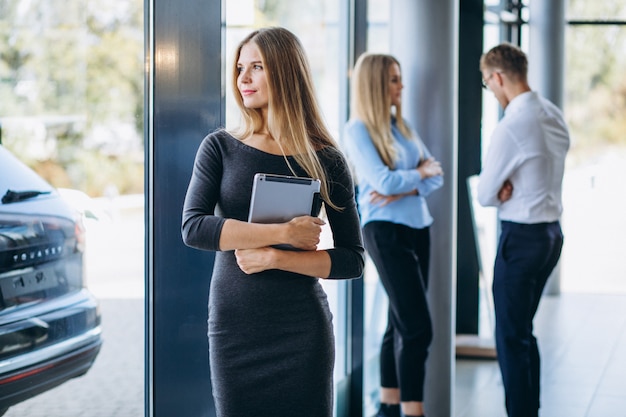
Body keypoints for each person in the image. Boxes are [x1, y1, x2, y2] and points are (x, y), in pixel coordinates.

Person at [181, 27, 365, 417]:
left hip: (302, 332)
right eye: (239, 68)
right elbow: (194, 227)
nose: (242, 78)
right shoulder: (220, 147)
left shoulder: (327, 158)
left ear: (285, 72)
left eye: (257, 67)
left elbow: (353, 259)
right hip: (236, 330)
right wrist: (282, 234)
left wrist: (278, 258)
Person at [342, 53, 444, 417]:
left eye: (399, 78)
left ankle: (388, 405)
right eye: (394, 79)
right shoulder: (357, 130)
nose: (402, 86)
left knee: (399, 322)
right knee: (419, 329)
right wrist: (415, 176)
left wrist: (401, 187)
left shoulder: (403, 127)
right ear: (375, 84)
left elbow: (438, 176)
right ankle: (412, 411)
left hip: (419, 227)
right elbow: (384, 181)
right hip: (384, 231)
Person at [477, 43, 570, 417]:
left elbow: (485, 193)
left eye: (487, 83)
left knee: (510, 338)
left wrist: (500, 189)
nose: (491, 90)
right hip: (550, 236)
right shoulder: (553, 114)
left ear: (497, 77)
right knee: (523, 333)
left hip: (521, 239)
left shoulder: (512, 125)